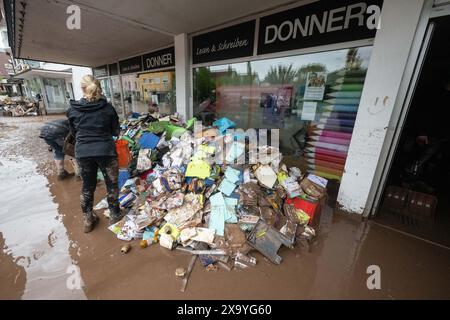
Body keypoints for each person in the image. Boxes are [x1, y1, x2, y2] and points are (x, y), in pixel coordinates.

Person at [67, 75, 121, 233]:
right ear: (98, 88)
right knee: (112, 185)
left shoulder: (72, 110)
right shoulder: (108, 108)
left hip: (83, 153)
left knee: (87, 187)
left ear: (82, 89)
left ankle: (88, 220)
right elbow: (115, 131)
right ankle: (115, 215)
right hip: (106, 151)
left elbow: (73, 133)